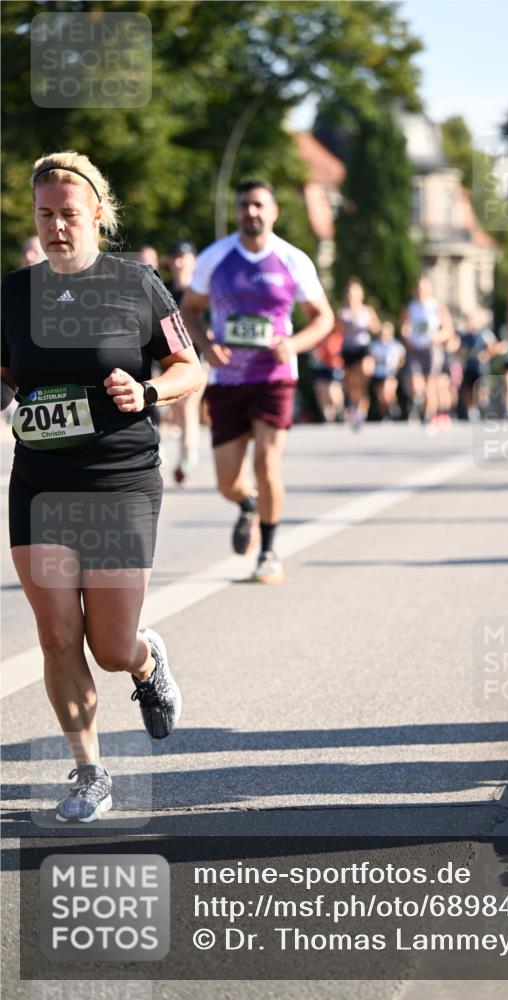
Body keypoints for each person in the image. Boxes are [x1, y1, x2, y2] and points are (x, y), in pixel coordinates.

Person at [0, 152, 202, 821]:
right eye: (45, 214)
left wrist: (145, 389)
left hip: (118, 479)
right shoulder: (13, 293)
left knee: (109, 647)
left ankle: (147, 663)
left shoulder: (137, 284)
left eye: (69, 214)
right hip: (40, 481)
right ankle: (90, 773)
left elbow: (187, 367)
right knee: (57, 634)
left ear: (96, 216)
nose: (57, 226)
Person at [179, 179, 333, 584]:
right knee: (227, 482)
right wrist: (207, 345)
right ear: (237, 211)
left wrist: (293, 344)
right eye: (245, 205)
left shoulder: (293, 260)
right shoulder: (215, 258)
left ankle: (267, 552)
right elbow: (188, 310)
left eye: (259, 205)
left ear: (274, 211)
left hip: (274, 377)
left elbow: (324, 318)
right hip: (228, 379)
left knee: (267, 463)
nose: (252, 212)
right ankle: (248, 504)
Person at [164, 240, 206, 484]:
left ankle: (186, 457)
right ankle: (186, 449)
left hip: (199, 360)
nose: (179, 262)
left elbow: (211, 327)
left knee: (189, 405)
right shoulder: (165, 291)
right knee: (179, 409)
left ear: (193, 261)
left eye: (184, 257)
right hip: (172, 359)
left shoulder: (200, 293)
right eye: (175, 257)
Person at [401, 276, 455, 428]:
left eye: (424, 288)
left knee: (431, 382)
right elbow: (404, 327)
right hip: (415, 348)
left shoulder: (437, 306)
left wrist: (437, 336)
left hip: (432, 349)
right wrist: (406, 335)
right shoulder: (411, 307)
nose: (421, 292)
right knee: (415, 383)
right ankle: (418, 402)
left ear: (430, 290)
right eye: (418, 288)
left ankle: (429, 416)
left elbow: (448, 330)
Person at [337, 277, 380, 431]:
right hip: (348, 350)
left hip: (364, 348)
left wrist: (369, 325)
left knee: (362, 380)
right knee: (352, 384)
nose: (351, 297)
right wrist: (345, 327)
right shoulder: (342, 312)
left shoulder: (367, 311)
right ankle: (354, 409)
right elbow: (336, 332)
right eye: (349, 293)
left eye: (354, 293)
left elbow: (377, 328)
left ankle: (361, 412)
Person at [369, 321, 406, 420]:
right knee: (380, 396)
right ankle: (385, 415)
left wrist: (396, 368)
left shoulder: (396, 346)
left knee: (387, 392)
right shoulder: (375, 345)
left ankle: (393, 407)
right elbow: (371, 359)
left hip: (391, 373)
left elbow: (402, 360)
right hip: (378, 373)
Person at [310, 327, 345, 423]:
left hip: (333, 366)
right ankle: (327, 416)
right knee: (321, 390)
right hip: (320, 367)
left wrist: (323, 352)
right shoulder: (317, 337)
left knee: (332, 391)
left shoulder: (335, 337)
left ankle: (339, 411)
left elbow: (333, 351)